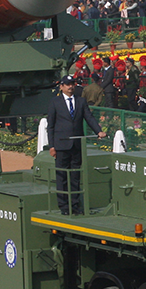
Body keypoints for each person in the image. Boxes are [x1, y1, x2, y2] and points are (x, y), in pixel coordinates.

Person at [47, 75, 107, 215]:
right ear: (61, 86)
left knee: (75, 176)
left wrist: (99, 131)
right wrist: (52, 146)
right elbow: (50, 126)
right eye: (67, 84)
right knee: (61, 176)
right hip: (61, 145)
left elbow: (89, 117)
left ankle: (74, 205)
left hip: (76, 144)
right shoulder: (55, 102)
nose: (70, 87)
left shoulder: (81, 101)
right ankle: (63, 206)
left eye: (72, 84)